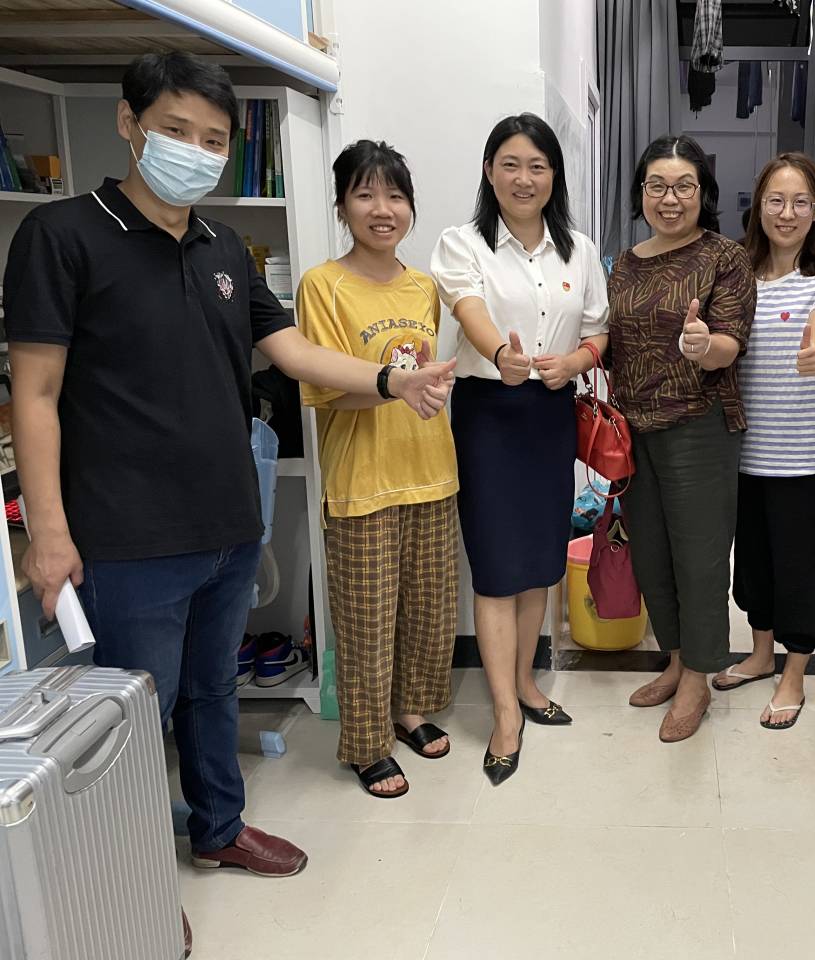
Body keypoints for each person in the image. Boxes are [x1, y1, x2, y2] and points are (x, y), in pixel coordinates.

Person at [3, 53, 452, 955]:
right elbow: (35, 394)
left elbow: (289, 352)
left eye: (214, 139)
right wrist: (48, 532)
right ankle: (134, 879)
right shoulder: (62, 235)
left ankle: (219, 827)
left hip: (226, 522)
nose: (197, 151)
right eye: (176, 131)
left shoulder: (221, 248)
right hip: (129, 532)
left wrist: (389, 380)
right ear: (129, 123)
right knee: (131, 718)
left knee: (213, 691)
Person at [430, 114, 608, 786]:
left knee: (539, 564)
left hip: (550, 414)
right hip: (489, 416)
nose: (524, 178)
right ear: (489, 171)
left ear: (553, 175)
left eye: (537, 166)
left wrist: (576, 362)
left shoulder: (579, 250)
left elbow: (597, 331)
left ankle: (529, 683)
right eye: (510, 164)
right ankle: (505, 713)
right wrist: (500, 353)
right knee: (497, 568)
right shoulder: (463, 243)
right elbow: (468, 308)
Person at [296, 141, 460, 799]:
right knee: (366, 622)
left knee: (429, 611)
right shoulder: (323, 285)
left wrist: (418, 387)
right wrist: (398, 386)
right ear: (342, 207)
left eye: (394, 195)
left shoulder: (424, 287)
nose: (382, 209)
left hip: (430, 467)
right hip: (361, 479)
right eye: (365, 195)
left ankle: (410, 712)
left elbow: (422, 375)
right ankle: (366, 744)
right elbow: (326, 388)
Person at [609, 135, 756, 742]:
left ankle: (698, 677)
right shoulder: (624, 263)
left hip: (699, 426)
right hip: (633, 428)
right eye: (657, 186)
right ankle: (674, 659)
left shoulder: (725, 257)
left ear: (703, 193)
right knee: (651, 554)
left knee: (699, 559)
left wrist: (704, 345)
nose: (670, 199)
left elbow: (730, 344)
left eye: (684, 187)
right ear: (641, 192)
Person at [710, 152, 815, 730]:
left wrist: (814, 345)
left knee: (797, 572)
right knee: (753, 569)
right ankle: (761, 654)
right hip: (742, 454)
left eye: (799, 202)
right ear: (758, 207)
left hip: (802, 460)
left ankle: (794, 672)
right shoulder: (737, 276)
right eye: (775, 200)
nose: (786, 213)